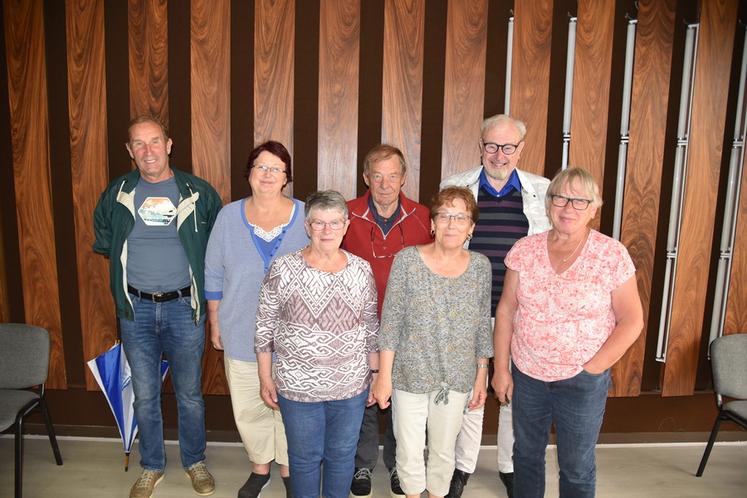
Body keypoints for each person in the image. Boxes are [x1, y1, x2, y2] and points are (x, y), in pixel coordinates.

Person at [492, 167, 644, 497]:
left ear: (594, 208)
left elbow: (632, 320)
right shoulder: (525, 249)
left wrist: (593, 368)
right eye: (560, 198)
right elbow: (506, 310)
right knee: (526, 456)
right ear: (548, 204)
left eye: (579, 200)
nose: (568, 208)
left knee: (575, 466)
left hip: (581, 379)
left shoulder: (611, 254)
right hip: (528, 374)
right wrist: (501, 369)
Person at [93, 115, 222, 498]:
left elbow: (215, 247)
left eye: (154, 142)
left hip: (185, 308)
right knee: (146, 394)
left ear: (169, 145)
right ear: (129, 151)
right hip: (136, 310)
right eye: (139, 144)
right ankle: (152, 465)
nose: (148, 151)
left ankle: (195, 462)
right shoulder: (117, 194)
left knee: (189, 394)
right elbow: (105, 239)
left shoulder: (197, 192)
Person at [440, 114, 551, 498]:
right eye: (491, 145)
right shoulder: (455, 187)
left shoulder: (543, 190)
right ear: (480, 145)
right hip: (467, 311)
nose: (499, 155)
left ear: (521, 149)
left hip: (520, 313)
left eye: (508, 147)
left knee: (511, 392)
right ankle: (462, 465)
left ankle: (509, 465)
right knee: (472, 392)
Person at [254, 190, 380, 498]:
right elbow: (263, 326)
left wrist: (375, 376)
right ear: (307, 227)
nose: (327, 231)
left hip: (349, 386)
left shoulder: (361, 270)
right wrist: (265, 376)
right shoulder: (283, 268)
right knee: (304, 459)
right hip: (298, 386)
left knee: (341, 457)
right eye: (319, 223)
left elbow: (371, 328)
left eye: (334, 223)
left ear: (346, 225)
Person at [373, 186, 493, 498]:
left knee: (443, 449)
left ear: (471, 227)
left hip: (456, 378)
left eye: (460, 217)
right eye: (444, 216)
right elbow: (391, 322)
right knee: (409, 448)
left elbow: (482, 325)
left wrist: (482, 374)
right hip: (408, 374)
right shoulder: (407, 261)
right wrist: (383, 377)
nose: (451, 224)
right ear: (432, 223)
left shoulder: (481, 266)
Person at [204, 141, 307, 498]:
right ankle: (260, 468)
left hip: (297, 338)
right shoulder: (229, 217)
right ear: (248, 174)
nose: (267, 174)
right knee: (250, 405)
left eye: (275, 168)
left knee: (291, 407)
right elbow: (213, 271)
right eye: (260, 167)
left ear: (286, 178)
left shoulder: (307, 217)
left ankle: (289, 467)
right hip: (240, 329)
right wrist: (215, 322)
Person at [342, 144, 432, 498]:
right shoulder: (346, 214)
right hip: (356, 323)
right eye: (377, 176)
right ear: (366, 177)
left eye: (392, 175)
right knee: (362, 393)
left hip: (408, 326)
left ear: (403, 178)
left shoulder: (424, 217)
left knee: (403, 395)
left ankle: (399, 463)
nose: (384, 184)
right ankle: (362, 462)